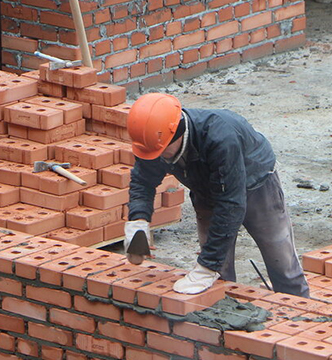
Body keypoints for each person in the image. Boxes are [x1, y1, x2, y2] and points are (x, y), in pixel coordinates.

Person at [124, 93, 311, 298]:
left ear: (177, 134)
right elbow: (143, 181)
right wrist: (138, 220)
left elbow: (231, 204)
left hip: (257, 185)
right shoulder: (153, 140)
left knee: (281, 260)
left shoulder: (220, 138)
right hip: (206, 187)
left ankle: (298, 306)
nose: (157, 157)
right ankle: (225, 309)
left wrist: (207, 265)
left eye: (161, 151)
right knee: (218, 274)